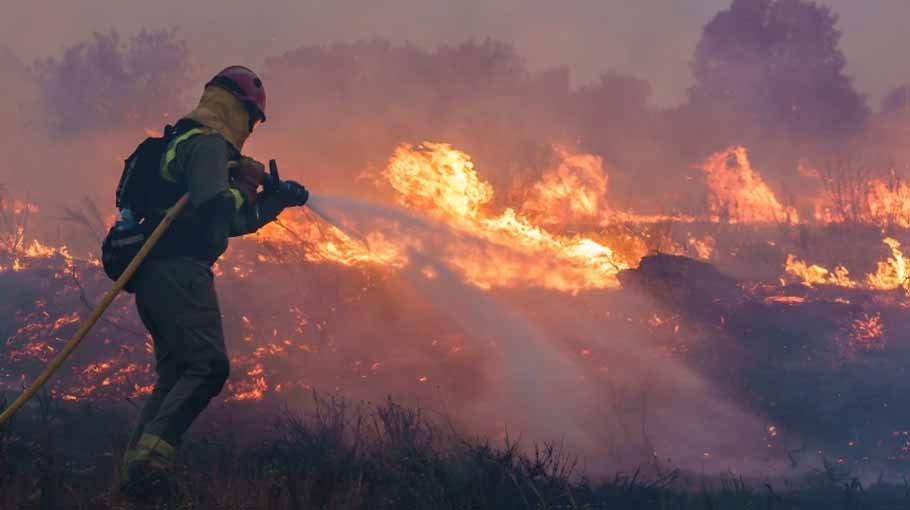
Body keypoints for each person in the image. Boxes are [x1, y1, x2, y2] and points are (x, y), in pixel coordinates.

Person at [119, 65, 309, 499]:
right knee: (208, 366)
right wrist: (245, 184)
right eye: (251, 119)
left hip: (156, 274)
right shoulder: (206, 145)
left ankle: (135, 471)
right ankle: (150, 468)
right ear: (237, 109)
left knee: (176, 373)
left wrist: (274, 202)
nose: (251, 130)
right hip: (180, 272)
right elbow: (216, 209)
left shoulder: (187, 142)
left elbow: (229, 221)